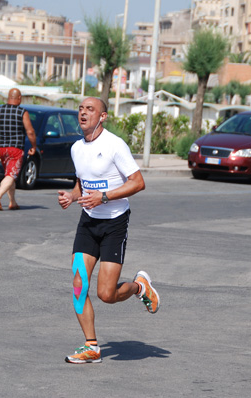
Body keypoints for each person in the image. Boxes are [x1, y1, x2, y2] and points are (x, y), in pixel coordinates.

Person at [57, 97, 159, 364]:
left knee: (106, 294)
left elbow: (138, 183)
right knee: (79, 285)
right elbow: (83, 183)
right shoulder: (76, 148)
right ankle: (91, 346)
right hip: (88, 222)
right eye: (80, 108)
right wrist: (72, 195)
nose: (83, 113)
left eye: (90, 109)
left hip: (114, 222)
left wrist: (104, 197)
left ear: (102, 117)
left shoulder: (115, 145)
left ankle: (139, 287)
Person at [0, 88, 37, 211]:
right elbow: (30, 131)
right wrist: (33, 146)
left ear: (8, 97)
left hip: (2, 149)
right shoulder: (22, 112)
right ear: (19, 98)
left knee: (9, 174)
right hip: (16, 149)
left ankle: (12, 202)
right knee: (11, 175)